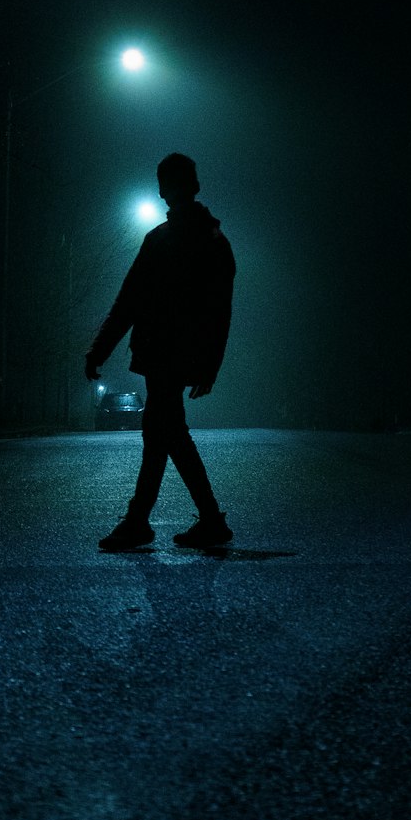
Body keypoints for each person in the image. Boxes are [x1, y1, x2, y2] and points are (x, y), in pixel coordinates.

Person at [85, 153, 236, 551]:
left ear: (165, 188)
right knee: (163, 432)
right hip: (181, 354)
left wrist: (99, 350)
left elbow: (128, 301)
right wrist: (209, 365)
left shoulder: (163, 241)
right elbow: (220, 312)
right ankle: (180, 520)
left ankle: (154, 521)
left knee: (165, 432)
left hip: (161, 353)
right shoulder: (214, 242)